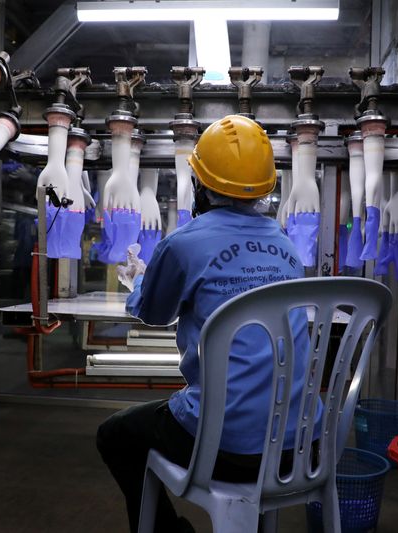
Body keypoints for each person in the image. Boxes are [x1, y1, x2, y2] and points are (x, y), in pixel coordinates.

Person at [96, 115, 321, 533]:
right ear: (267, 186)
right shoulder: (289, 249)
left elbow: (153, 313)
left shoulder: (182, 244)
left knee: (115, 434)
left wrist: (137, 280)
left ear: (199, 182)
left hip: (225, 448)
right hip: (302, 445)